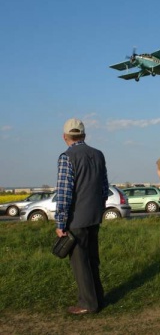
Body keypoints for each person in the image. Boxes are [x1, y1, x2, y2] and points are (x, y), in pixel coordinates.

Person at [55, 118, 108, 315]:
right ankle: (98, 298)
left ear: (65, 136)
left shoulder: (67, 157)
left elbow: (64, 193)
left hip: (76, 219)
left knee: (80, 262)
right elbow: (104, 188)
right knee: (93, 259)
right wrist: (99, 209)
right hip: (94, 216)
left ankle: (87, 303)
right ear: (84, 135)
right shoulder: (98, 155)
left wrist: (60, 222)